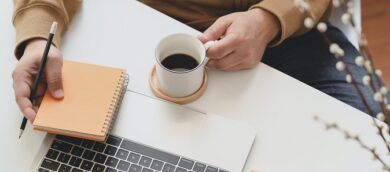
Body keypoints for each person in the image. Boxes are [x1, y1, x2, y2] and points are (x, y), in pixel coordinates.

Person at [12, 0, 383, 122]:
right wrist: (36, 38)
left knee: (376, 151)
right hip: (151, 30)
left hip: (289, 34)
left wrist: (268, 19)